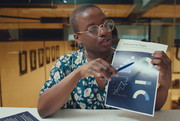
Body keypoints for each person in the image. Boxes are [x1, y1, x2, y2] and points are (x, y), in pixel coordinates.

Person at [37, 4, 172, 118]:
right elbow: (43, 110)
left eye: (105, 24)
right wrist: (78, 73)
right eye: (93, 29)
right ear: (78, 38)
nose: (103, 32)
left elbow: (149, 106)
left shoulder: (129, 60)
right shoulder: (66, 64)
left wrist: (165, 86)